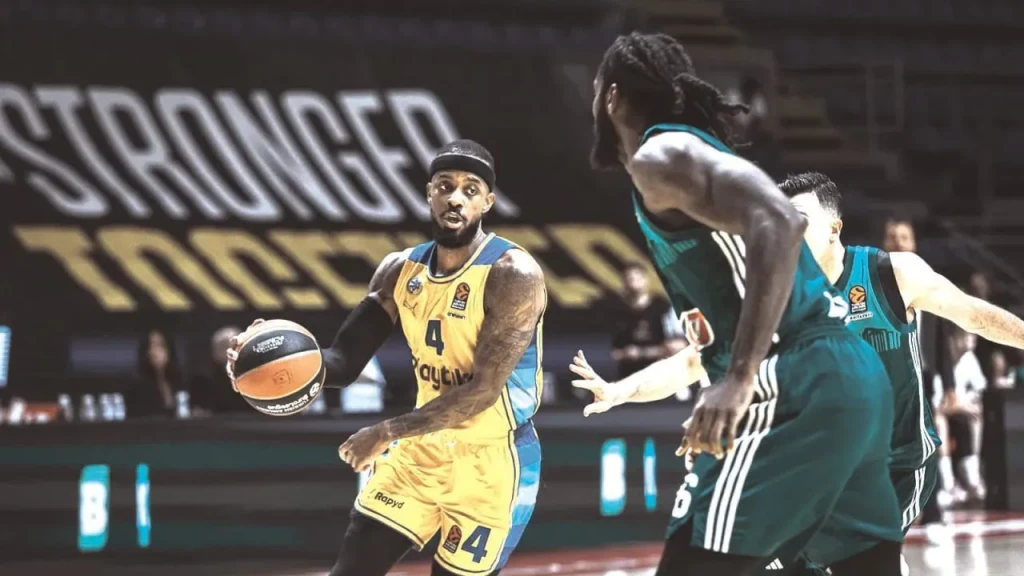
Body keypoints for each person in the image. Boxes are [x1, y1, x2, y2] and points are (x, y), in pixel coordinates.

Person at [584, 31, 902, 575]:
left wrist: (739, 377)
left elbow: (781, 219)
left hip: (792, 379)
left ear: (611, 97)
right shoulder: (684, 156)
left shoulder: (661, 153)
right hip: (847, 376)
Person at [227, 140, 546, 576]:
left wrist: (386, 431)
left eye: (470, 189)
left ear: (487, 202)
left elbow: (483, 392)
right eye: (445, 186)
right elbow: (341, 362)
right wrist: (269, 359)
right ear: (429, 193)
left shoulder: (512, 274)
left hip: (491, 462)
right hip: (421, 451)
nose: (456, 198)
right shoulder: (400, 270)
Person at [777, 171, 1024, 571]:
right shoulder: (779, 296)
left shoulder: (890, 273)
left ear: (834, 228)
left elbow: (973, 315)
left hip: (897, 465)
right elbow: (713, 360)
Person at [611, 262, 687, 379]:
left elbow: (679, 346)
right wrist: (624, 354)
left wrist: (642, 353)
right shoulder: (618, 311)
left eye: (638, 278)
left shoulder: (663, 307)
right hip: (630, 375)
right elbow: (613, 350)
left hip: (661, 373)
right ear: (624, 282)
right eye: (630, 279)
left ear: (646, 279)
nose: (634, 283)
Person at [189, 325, 249, 415]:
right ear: (214, 352)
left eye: (234, 345)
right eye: (224, 346)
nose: (229, 350)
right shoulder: (203, 383)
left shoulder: (254, 376)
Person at [127, 329, 180, 418]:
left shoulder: (178, 380)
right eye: (151, 346)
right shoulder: (138, 386)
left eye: (159, 346)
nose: (154, 352)